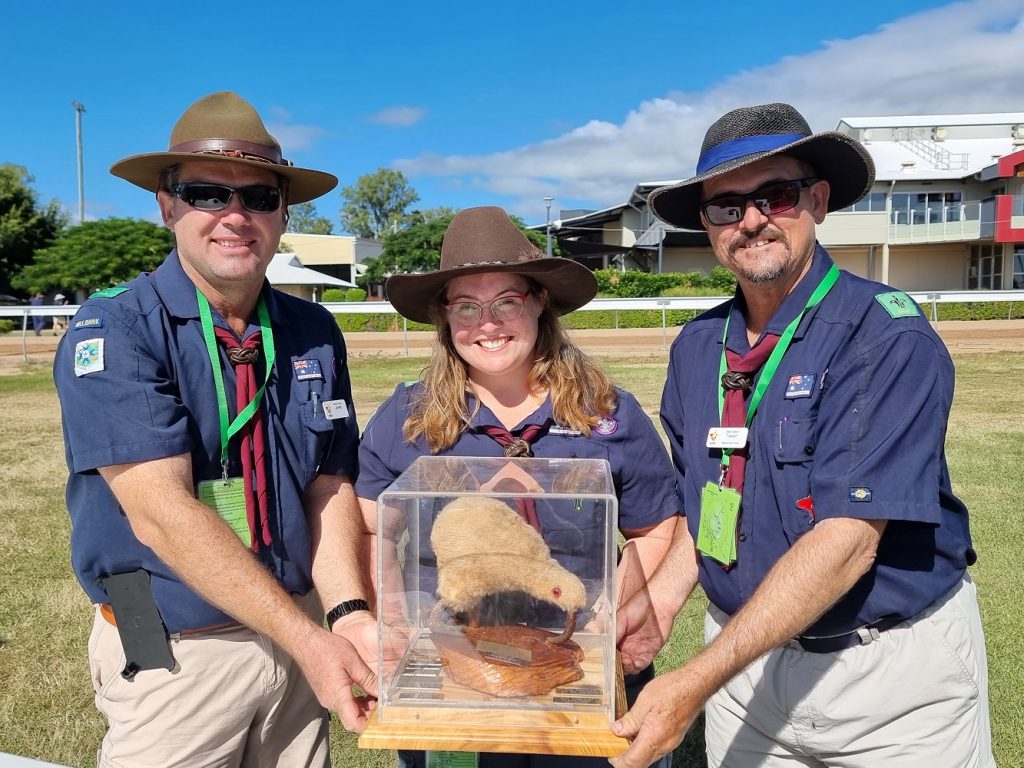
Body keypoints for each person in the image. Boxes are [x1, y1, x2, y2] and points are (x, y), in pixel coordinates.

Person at [610, 102, 994, 768]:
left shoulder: (885, 336)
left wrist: (695, 679)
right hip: (747, 675)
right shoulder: (699, 347)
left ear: (816, 199)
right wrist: (662, 600)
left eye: (775, 195)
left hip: (890, 682)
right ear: (707, 224)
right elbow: (710, 509)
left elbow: (846, 544)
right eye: (726, 206)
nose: (751, 219)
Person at [53, 91, 377, 767]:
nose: (236, 216)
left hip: (298, 644)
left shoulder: (312, 328)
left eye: (259, 197)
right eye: (207, 193)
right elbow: (162, 514)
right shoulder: (116, 326)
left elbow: (329, 486)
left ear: (283, 215)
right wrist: (312, 640)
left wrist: (346, 616)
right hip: (178, 652)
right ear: (167, 205)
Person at [356, 206, 680, 768]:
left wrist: (613, 616)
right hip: (455, 662)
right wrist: (392, 619)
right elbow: (369, 527)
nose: (489, 323)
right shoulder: (407, 417)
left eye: (506, 301)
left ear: (538, 302)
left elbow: (657, 529)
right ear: (444, 318)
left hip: (578, 660)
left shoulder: (608, 413)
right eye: (466, 306)